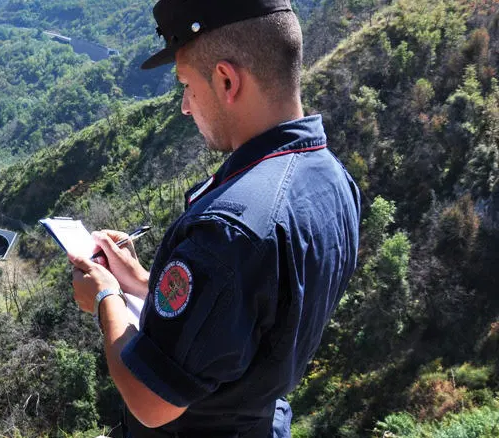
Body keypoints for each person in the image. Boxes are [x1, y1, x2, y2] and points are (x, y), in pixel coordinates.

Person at [66, 1, 362, 437]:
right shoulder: (333, 181)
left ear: (226, 80)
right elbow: (247, 316)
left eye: (187, 85)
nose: (185, 106)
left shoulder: (229, 229)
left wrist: (107, 297)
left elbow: (152, 400)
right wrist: (145, 283)